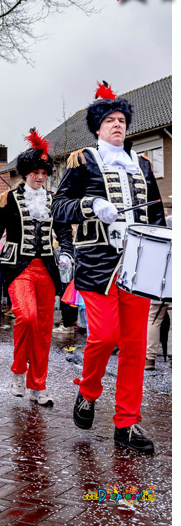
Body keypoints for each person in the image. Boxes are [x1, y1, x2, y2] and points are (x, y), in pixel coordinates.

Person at [53, 81, 165, 454]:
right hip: (98, 264)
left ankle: (127, 423)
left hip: (139, 264)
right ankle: (87, 391)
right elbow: (60, 208)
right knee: (104, 336)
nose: (117, 125)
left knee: (133, 347)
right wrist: (90, 205)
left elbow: (154, 216)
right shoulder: (82, 161)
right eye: (109, 120)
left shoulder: (144, 164)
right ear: (98, 127)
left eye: (121, 120)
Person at [0, 129, 74, 406]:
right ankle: (18, 371)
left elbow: (64, 232)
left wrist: (67, 252)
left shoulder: (55, 200)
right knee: (27, 318)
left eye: (44, 172)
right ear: (25, 172)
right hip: (19, 268)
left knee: (43, 329)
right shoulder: (9, 198)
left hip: (47, 270)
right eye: (35, 172)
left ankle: (38, 385)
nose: (40, 177)